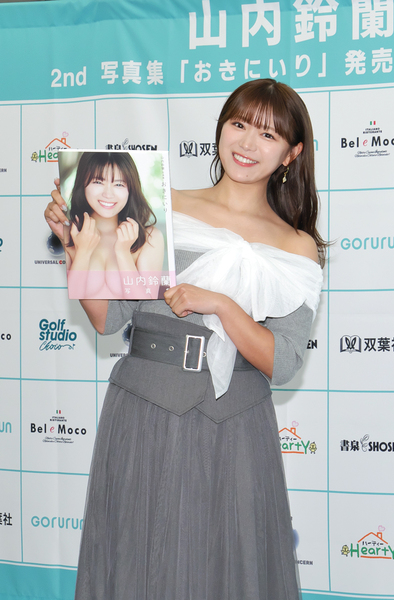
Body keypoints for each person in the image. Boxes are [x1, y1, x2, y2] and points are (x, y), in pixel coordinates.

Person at [44, 79, 325, 600]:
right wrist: (75, 249)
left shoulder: (297, 247)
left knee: (228, 569)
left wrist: (221, 304)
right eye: (239, 124)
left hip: (235, 420)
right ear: (220, 129)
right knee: (137, 563)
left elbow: (283, 361)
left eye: (268, 134)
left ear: (292, 153)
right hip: (145, 408)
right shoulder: (162, 206)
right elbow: (109, 318)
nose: (247, 143)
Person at [51, 151, 164, 299]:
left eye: (119, 184)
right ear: (82, 183)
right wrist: (83, 251)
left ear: (130, 189)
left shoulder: (150, 237)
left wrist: (123, 252)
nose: (108, 194)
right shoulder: (68, 232)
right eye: (98, 182)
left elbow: (147, 304)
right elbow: (70, 299)